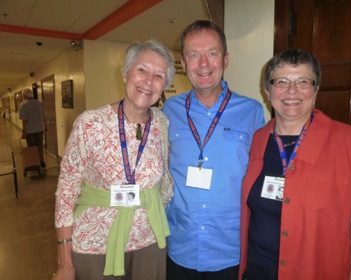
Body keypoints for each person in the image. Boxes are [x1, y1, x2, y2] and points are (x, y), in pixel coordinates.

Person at [239, 49, 351, 280]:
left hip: (315, 272)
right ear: (267, 90)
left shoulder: (347, 140)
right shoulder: (259, 138)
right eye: (281, 81)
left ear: (316, 89)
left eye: (303, 81)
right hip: (257, 270)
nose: (292, 90)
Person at [53, 40, 175, 280]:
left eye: (159, 75)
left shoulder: (162, 123)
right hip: (96, 244)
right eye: (142, 69)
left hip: (149, 241)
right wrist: (64, 261)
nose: (149, 81)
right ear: (125, 73)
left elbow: (165, 181)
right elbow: (66, 193)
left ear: (164, 86)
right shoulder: (90, 123)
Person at [162, 20, 265, 280]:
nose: (204, 64)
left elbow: (260, 174)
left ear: (226, 59)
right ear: (184, 64)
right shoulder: (169, 110)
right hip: (180, 246)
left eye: (212, 53)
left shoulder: (252, 111)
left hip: (231, 250)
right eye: (193, 55)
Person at [19, 88, 47, 168]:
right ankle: (41, 160)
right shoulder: (39, 103)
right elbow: (43, 116)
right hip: (40, 128)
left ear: (24, 96)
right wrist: (45, 126)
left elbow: (24, 120)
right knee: (40, 145)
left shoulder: (23, 105)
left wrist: (24, 131)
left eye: (22, 95)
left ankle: (35, 163)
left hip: (30, 130)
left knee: (32, 147)